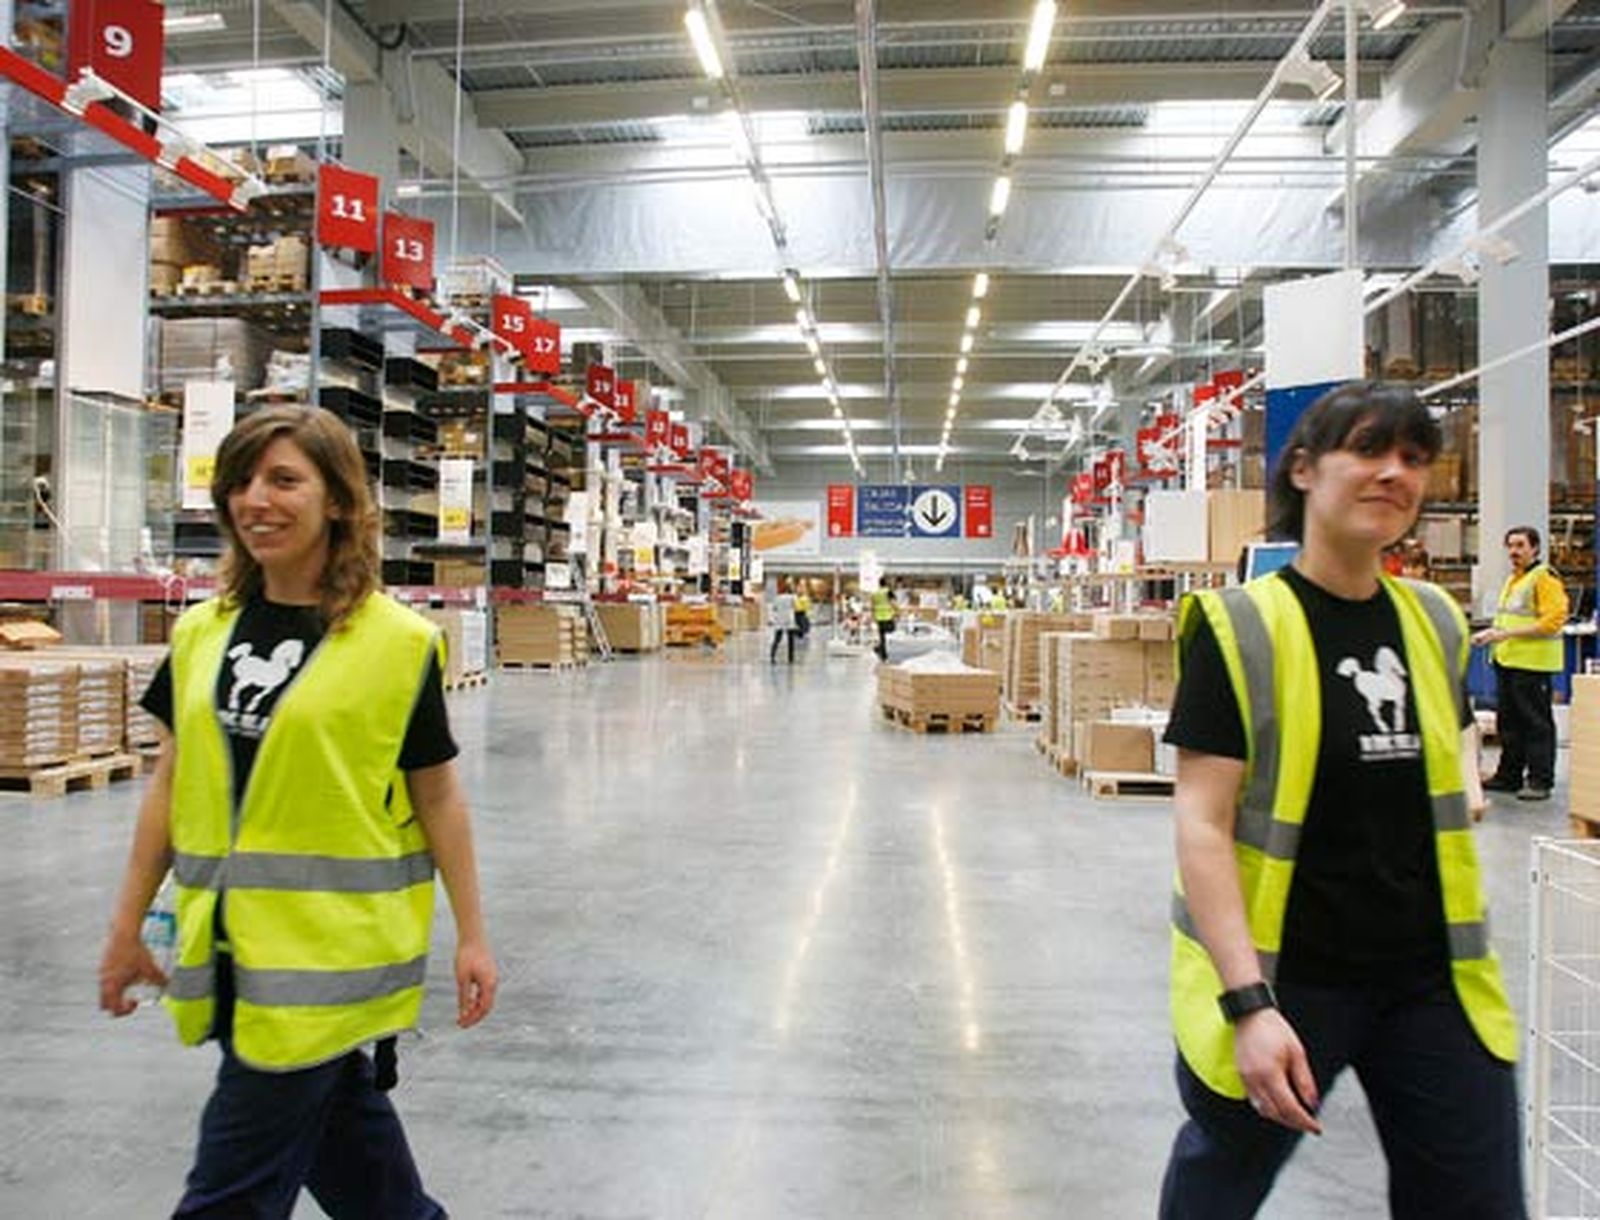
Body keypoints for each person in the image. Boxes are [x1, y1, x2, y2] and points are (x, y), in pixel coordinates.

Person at [98, 405, 497, 1219]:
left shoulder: (396, 642)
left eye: (284, 480)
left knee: (226, 1199)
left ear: (339, 501)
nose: (256, 500)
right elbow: (171, 786)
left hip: (325, 963)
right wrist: (126, 926)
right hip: (231, 949)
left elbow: (438, 797)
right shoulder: (200, 634)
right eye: (241, 481)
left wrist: (475, 936)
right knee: (365, 1178)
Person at [1158, 382, 1522, 1219]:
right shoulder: (1238, 625)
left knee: (1479, 1202)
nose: (1394, 473)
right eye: (1368, 450)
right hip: (1292, 980)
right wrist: (1248, 1004)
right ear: (1304, 468)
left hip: (1434, 985)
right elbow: (1202, 825)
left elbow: (1447, 759)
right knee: (1220, 1185)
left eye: (1414, 459)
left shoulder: (1436, 620)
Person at [1475, 526, 1568, 802]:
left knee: (1535, 722)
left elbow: (1553, 620)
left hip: (1533, 664)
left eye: (1520, 546)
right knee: (1509, 722)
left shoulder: (1544, 578)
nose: (1514, 552)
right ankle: (1509, 775)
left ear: (1535, 548)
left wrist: (1505, 635)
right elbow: (1509, 618)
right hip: (1508, 661)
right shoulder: (1514, 580)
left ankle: (1540, 780)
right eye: (1511, 546)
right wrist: (1491, 634)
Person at [769, 578, 798, 663]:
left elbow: (774, 608)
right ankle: (790, 658)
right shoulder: (792, 597)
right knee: (791, 640)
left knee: (777, 639)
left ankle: (773, 656)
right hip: (789, 619)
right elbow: (795, 607)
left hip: (780, 619)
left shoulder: (777, 598)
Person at [871, 579, 896, 660]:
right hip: (887, 615)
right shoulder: (888, 591)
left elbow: (872, 605)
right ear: (886, 584)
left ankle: (883, 654)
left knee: (882, 636)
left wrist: (873, 615)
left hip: (878, 616)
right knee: (891, 629)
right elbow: (893, 601)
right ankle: (881, 650)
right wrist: (897, 611)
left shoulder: (875, 593)